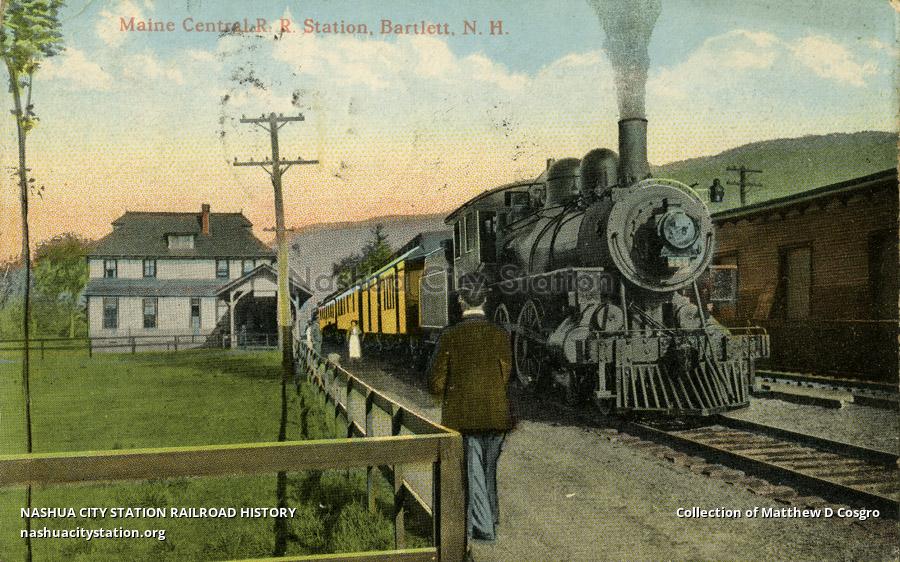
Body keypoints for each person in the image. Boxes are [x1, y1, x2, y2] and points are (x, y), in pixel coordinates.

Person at [428, 273, 513, 546]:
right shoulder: (501, 334)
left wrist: (448, 389)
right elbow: (505, 374)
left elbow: (435, 382)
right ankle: (492, 515)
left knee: (473, 471)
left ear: (460, 300)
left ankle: (483, 527)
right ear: (486, 300)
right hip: (497, 415)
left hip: (464, 417)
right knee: (488, 469)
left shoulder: (449, 336)